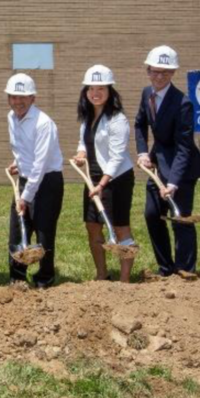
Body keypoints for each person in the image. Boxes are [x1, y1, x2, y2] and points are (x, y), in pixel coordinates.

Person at [134, 46, 200, 278]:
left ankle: (185, 269)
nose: (159, 77)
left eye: (164, 73)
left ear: (172, 73)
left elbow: (184, 147)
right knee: (152, 214)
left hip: (182, 169)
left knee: (181, 218)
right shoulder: (147, 93)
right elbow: (139, 124)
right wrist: (143, 152)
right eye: (154, 71)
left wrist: (174, 182)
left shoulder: (182, 103)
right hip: (158, 162)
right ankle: (165, 267)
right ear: (148, 71)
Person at [73, 65, 136, 283]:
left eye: (101, 88)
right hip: (93, 179)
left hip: (116, 180)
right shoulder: (87, 117)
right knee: (92, 226)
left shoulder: (117, 119)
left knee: (119, 227)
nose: (95, 93)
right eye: (91, 89)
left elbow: (117, 157)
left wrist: (102, 184)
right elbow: (84, 142)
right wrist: (81, 154)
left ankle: (125, 280)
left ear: (110, 91)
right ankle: (102, 274)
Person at [5, 74, 64, 288]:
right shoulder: (11, 117)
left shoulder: (44, 124)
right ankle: (17, 278)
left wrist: (26, 197)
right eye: (13, 97)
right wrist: (17, 163)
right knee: (18, 228)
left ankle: (44, 278)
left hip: (47, 181)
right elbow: (23, 149)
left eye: (23, 97)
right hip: (25, 177)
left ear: (33, 98)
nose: (17, 102)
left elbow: (40, 163)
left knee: (43, 232)